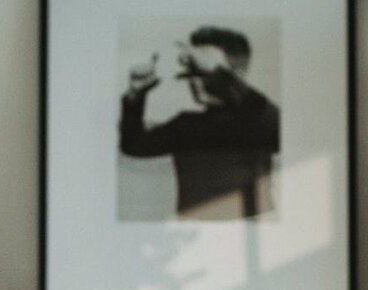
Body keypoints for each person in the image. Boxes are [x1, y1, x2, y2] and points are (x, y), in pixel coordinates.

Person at [120, 26, 281, 220]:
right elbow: (133, 146)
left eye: (204, 73)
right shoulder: (186, 125)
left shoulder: (257, 120)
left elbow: (276, 129)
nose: (195, 82)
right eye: (192, 73)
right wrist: (136, 94)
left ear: (236, 75)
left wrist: (217, 73)